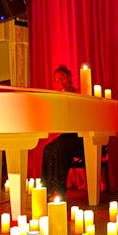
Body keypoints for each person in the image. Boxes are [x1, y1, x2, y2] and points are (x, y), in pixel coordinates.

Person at [41, 64, 85, 199]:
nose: (61, 82)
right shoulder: (59, 98)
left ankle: (59, 191)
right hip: (66, 135)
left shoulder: (79, 94)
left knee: (60, 148)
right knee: (48, 149)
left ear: (70, 78)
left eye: (63, 78)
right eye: (57, 80)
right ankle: (47, 188)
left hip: (79, 136)